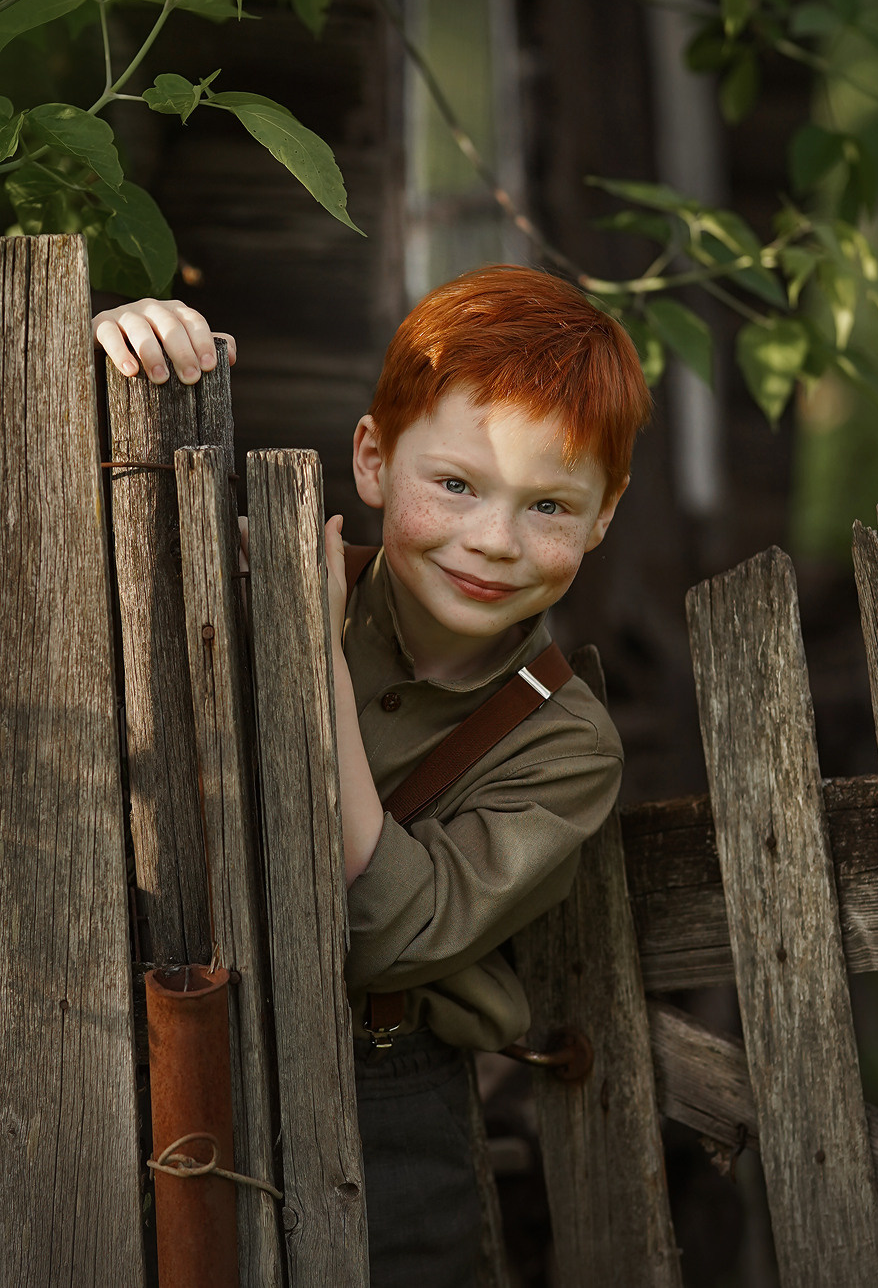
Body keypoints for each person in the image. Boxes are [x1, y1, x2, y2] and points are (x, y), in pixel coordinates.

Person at [93, 265, 651, 1286]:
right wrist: (111, 358)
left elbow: (387, 930)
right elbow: (77, 583)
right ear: (371, 458)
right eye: (455, 485)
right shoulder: (249, 565)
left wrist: (316, 673)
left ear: (605, 514)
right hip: (134, 1061)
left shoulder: (565, 746)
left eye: (550, 506)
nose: (494, 540)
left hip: (382, 1102)